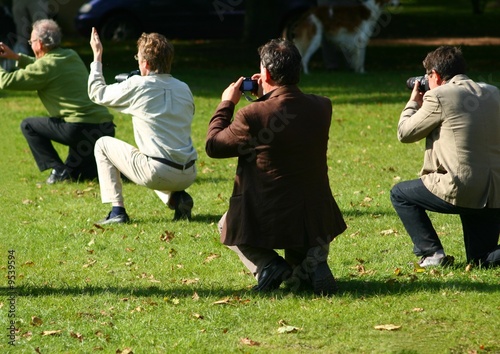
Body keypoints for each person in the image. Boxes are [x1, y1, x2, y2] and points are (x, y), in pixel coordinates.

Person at [205, 38, 347, 295]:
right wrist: (267, 96)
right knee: (300, 243)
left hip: (269, 216)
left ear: (266, 73)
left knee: (225, 224)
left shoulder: (252, 115)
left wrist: (227, 103)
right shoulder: (322, 106)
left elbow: (213, 146)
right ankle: (311, 264)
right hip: (313, 216)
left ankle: (268, 265)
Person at [391, 46, 500, 268]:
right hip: (495, 192)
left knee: (400, 194)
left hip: (462, 188)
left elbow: (405, 133)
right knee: (482, 260)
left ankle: (432, 254)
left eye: (427, 76)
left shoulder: (440, 95)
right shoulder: (493, 92)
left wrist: (414, 102)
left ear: (436, 75)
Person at [88, 28, 197, 225]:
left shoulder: (137, 85)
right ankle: (177, 198)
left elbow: (97, 93)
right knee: (153, 153)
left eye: (137, 58)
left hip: (158, 172)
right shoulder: (184, 87)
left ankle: (117, 210)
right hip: (189, 172)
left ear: (145, 63)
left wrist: (97, 56)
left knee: (102, 144)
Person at [0, 19, 115, 183]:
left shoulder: (45, 66)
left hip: (78, 130)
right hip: (104, 128)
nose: (30, 45)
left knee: (28, 125)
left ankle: (58, 169)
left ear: (39, 44)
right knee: (80, 176)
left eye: (31, 41)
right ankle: (76, 171)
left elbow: (6, 81)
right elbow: (44, 65)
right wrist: (17, 57)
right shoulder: (70, 55)